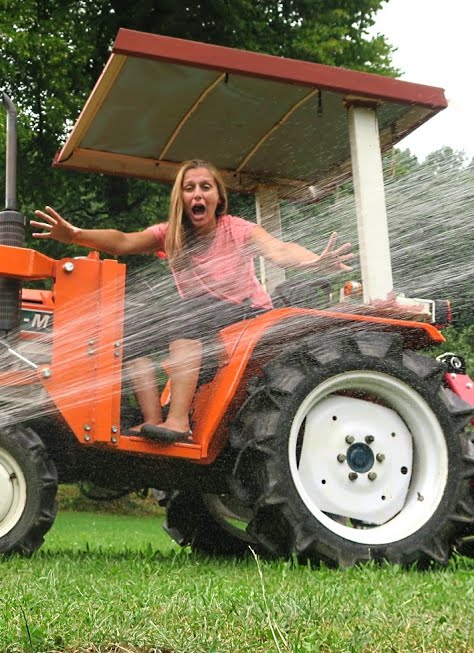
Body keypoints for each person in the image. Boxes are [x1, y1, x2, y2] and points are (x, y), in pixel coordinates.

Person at [31, 158, 353, 443]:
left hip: (248, 315)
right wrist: (75, 234)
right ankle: (153, 420)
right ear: (180, 198)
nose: (197, 194)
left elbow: (280, 250)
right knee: (129, 329)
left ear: (218, 197)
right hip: (201, 315)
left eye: (205, 187)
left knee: (188, 312)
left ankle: (179, 421)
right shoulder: (170, 235)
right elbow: (123, 241)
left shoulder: (238, 230)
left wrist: (315, 261)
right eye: (189, 188)